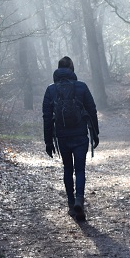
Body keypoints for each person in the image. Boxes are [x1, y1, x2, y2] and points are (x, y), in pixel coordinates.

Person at [43, 56, 99, 221]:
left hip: (62, 136)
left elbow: (47, 117)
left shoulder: (50, 90)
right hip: (80, 135)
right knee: (80, 169)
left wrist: (48, 141)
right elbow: (92, 110)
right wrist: (95, 133)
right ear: (72, 70)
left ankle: (71, 203)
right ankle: (79, 200)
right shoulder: (81, 87)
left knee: (67, 169)